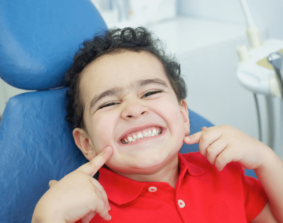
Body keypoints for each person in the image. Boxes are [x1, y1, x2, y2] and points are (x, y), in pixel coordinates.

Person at [31, 27, 283, 223]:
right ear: (86, 143)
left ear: (184, 116)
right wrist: (47, 216)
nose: (133, 109)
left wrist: (266, 160)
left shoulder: (224, 173)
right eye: (108, 103)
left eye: (150, 92)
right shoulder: (88, 209)